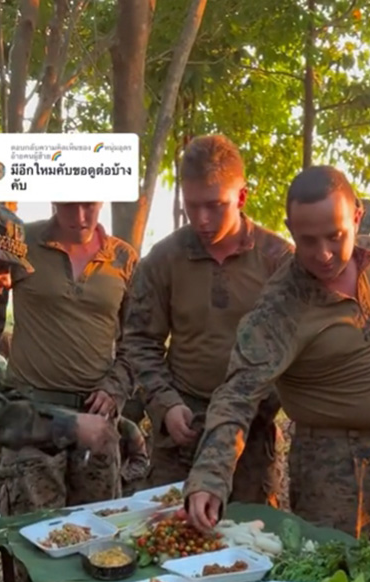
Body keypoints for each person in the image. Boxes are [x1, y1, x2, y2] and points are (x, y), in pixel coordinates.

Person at [185, 165, 370, 567]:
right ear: (290, 230)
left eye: (335, 236)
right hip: (332, 467)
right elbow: (237, 394)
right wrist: (209, 479)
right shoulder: (281, 306)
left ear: (356, 217)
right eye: (307, 241)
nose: (322, 253)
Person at [122, 134, 292, 503]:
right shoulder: (164, 259)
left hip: (251, 432)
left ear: (241, 197)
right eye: (192, 206)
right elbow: (139, 341)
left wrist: (263, 405)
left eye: (215, 206)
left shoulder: (279, 260)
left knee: (250, 533)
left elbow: (298, 349)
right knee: (168, 527)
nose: (201, 219)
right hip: (182, 428)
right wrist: (166, 404)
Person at [0, 200, 113, 494]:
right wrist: (69, 427)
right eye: (0, 266)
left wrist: (75, 418)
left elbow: (1, 392)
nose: (8, 281)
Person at [0, 201, 137, 513]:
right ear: (54, 199)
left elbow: (138, 341)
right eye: (69, 205)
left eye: (89, 205)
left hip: (95, 420)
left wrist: (116, 388)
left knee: (97, 528)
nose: (80, 217)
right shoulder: (22, 244)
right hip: (32, 417)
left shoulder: (124, 258)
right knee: (31, 529)